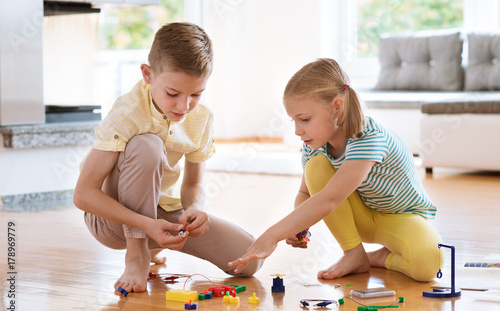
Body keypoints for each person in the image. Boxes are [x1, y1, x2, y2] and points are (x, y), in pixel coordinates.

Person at [74, 22, 263, 294]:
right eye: (173, 94)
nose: (184, 106)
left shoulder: (201, 117)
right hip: (109, 221)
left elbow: (193, 184)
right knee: (147, 146)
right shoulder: (128, 112)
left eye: (196, 94)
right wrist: (146, 226)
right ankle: (137, 255)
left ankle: (151, 242)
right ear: (148, 74)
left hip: (159, 213)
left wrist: (194, 208)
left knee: (247, 261)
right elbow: (83, 195)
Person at [228, 58, 443, 282]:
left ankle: (375, 258)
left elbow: (330, 199)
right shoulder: (315, 145)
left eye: (304, 119)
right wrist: (300, 227)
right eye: (294, 121)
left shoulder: (367, 136)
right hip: (360, 218)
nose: (297, 131)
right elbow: (305, 194)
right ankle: (353, 253)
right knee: (317, 167)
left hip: (402, 217)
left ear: (336, 107)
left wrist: (271, 236)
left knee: (428, 262)